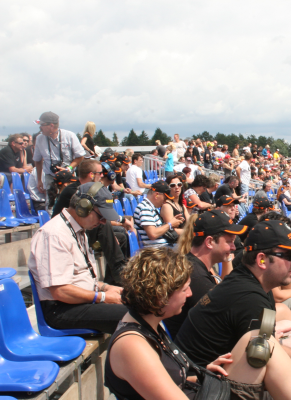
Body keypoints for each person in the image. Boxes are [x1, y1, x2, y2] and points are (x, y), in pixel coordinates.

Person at [105, 247, 291, 400]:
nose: (190, 295)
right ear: (161, 296)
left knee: (262, 340)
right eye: (184, 289)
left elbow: (167, 380)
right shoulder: (132, 346)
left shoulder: (149, 323)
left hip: (202, 387)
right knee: (263, 342)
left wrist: (202, 372)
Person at [176, 220, 291, 389]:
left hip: (220, 378)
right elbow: (268, 376)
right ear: (261, 260)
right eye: (289, 255)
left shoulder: (257, 287)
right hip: (203, 388)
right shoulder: (249, 298)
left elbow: (270, 348)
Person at [28, 182, 128, 333]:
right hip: (61, 309)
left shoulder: (78, 230)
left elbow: (80, 279)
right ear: (83, 207)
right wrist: (102, 297)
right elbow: (60, 291)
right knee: (132, 315)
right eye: (101, 217)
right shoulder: (54, 234)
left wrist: (106, 287)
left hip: (78, 303)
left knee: (139, 303)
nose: (103, 222)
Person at [164, 209, 247, 339]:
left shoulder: (197, 265)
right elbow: (223, 320)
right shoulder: (195, 277)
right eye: (229, 242)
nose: (234, 248)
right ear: (209, 242)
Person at [34, 112, 86, 194]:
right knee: (51, 203)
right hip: (50, 176)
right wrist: (39, 180)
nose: (40, 127)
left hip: (68, 176)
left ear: (51, 125)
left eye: (42, 125)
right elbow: (37, 160)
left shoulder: (70, 136)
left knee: (71, 201)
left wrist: (68, 169)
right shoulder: (39, 139)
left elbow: (80, 156)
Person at [134, 181, 184, 248]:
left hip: (163, 248)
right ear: (156, 195)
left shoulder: (151, 207)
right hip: (156, 251)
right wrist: (170, 224)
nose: (164, 202)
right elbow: (153, 234)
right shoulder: (145, 208)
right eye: (164, 198)